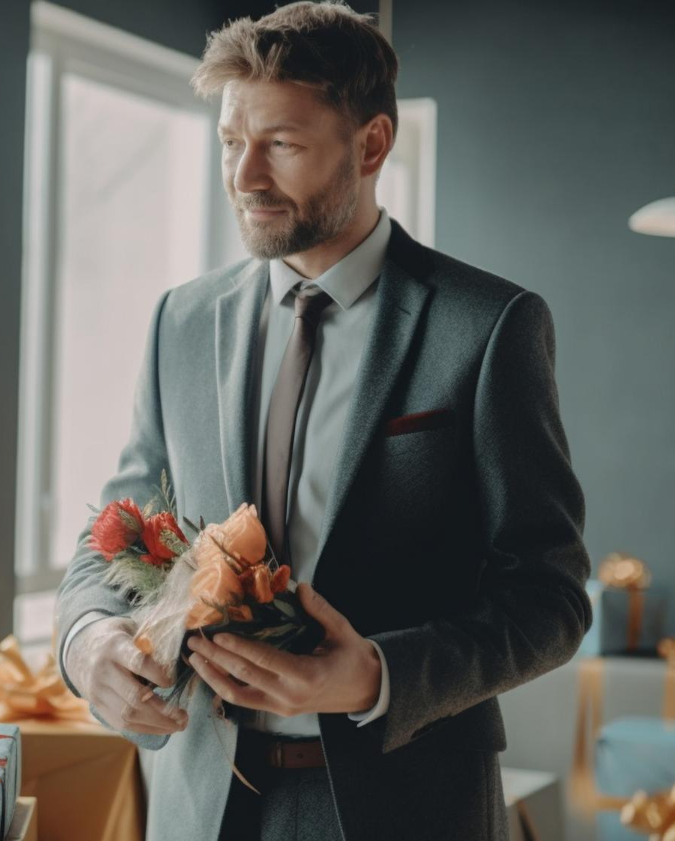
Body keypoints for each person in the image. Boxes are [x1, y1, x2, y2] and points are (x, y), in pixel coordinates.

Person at [53, 3, 591, 839]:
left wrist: (375, 675)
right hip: (200, 804)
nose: (244, 175)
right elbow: (117, 533)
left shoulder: (489, 327)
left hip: (405, 806)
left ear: (371, 145)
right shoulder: (180, 322)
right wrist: (85, 642)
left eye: (283, 145)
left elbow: (550, 596)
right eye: (232, 142)